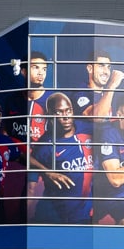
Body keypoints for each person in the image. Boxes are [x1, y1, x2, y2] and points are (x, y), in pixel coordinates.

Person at [30, 92, 94, 224]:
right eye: (59, 113)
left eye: (68, 111)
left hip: (83, 214)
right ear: (50, 116)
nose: (66, 117)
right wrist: (47, 172)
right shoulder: (46, 143)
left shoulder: (87, 129)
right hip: (54, 214)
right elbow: (27, 159)